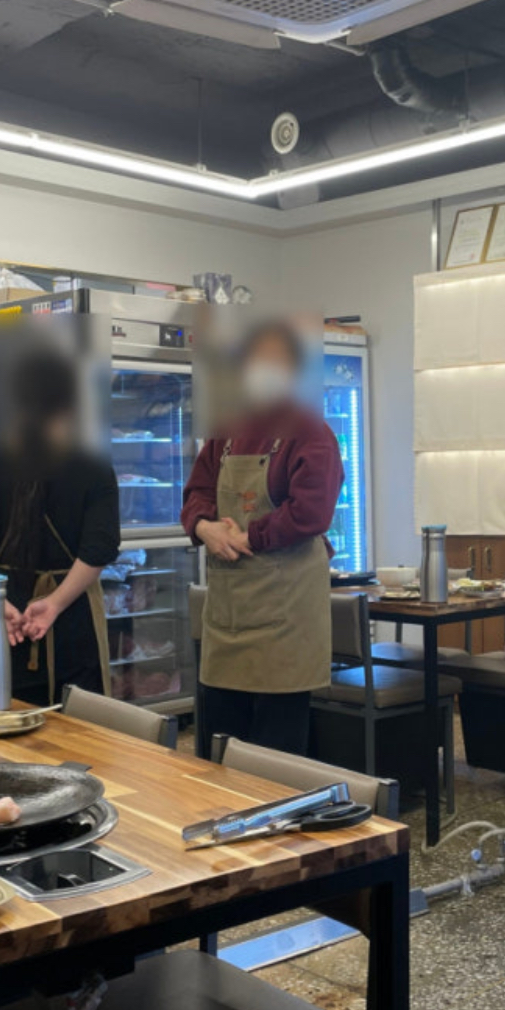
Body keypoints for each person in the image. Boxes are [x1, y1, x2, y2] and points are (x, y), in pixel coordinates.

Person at [181, 321, 343, 754]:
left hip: (285, 615)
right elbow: (195, 493)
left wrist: (250, 536)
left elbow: (312, 511)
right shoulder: (226, 431)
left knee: (276, 749)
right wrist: (205, 528)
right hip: (229, 611)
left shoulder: (312, 433)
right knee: (219, 738)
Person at [0, 347, 120, 704]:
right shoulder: (91, 465)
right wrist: (54, 603)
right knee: (77, 725)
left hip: (0, 615)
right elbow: (99, 549)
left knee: (0, 713)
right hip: (71, 612)